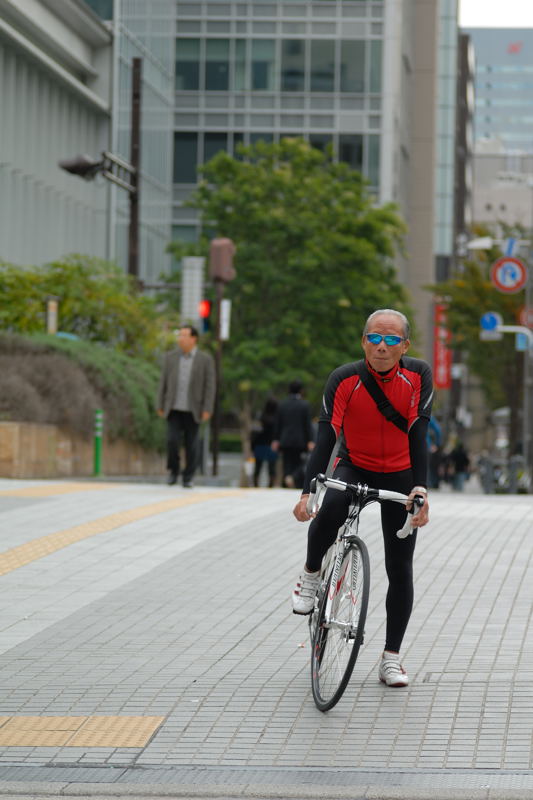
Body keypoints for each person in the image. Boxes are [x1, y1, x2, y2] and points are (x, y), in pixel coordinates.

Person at [291, 309, 432, 688]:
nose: (381, 347)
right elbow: (326, 438)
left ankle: (391, 658)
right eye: (374, 338)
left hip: (401, 473)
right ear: (363, 341)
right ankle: (309, 573)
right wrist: (308, 491)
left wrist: (420, 488)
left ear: (404, 345)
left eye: (390, 340)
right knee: (331, 509)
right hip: (355, 464)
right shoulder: (344, 378)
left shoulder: (418, 374)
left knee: (400, 566)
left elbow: (419, 432)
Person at [157, 325, 216, 488]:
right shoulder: (170, 357)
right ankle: (173, 471)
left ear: (193, 339)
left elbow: (210, 386)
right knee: (172, 441)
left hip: (194, 409)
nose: (180, 339)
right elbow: (163, 382)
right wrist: (160, 403)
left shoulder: (205, 359)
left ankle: (188, 476)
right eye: (179, 335)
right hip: (173, 407)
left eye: (184, 335)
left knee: (192, 444)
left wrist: (207, 408)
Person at [271, 380, 315, 489]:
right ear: (301, 390)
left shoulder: (282, 405)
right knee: (300, 462)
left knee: (287, 462)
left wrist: (275, 439)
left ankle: (287, 478)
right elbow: (307, 425)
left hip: (285, 440)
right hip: (300, 441)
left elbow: (278, 424)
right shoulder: (304, 405)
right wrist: (310, 440)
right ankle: (293, 477)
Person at [251, 397, 279, 487]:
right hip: (272, 445)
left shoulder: (261, 417)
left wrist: (252, 445)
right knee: (272, 468)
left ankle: (256, 485)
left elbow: (255, 433)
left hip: (259, 445)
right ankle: (270, 485)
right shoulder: (277, 419)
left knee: (258, 467)